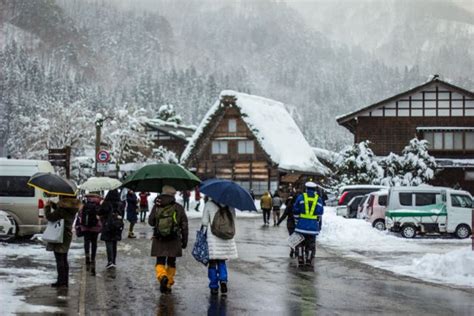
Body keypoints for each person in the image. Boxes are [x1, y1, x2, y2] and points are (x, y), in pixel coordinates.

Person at [149, 185, 188, 294]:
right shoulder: (178, 207)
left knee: (160, 261)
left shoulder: (157, 206)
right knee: (172, 262)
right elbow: (184, 226)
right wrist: (184, 241)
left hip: (159, 239)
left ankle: (162, 277)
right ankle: (168, 283)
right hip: (174, 239)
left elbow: (151, 222)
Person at [201, 198, 238, 295]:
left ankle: (214, 286)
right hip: (226, 238)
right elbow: (233, 220)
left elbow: (204, 222)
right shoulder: (230, 205)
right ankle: (223, 280)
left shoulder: (209, 204)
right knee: (222, 261)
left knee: (212, 263)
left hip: (212, 238)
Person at [45, 195, 81, 288]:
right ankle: (64, 281)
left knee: (59, 259)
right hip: (66, 235)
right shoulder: (71, 208)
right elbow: (60, 211)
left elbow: (50, 217)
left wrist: (47, 207)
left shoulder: (62, 210)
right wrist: (53, 205)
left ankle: (61, 282)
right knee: (64, 258)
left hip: (59, 235)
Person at [292, 182, 324, 267]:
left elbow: (295, 211)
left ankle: (300, 258)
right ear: (314, 190)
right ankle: (309, 259)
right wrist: (318, 224)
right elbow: (320, 213)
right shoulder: (318, 199)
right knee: (310, 244)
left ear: (306, 188)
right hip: (312, 227)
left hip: (301, 226)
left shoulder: (301, 197)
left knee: (300, 242)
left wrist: (296, 221)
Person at [77, 193, 102, 276]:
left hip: (85, 227)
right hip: (95, 228)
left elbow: (80, 215)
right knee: (94, 243)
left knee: (86, 242)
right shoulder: (98, 205)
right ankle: (93, 258)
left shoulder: (84, 205)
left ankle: (87, 255)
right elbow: (100, 217)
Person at [99, 189, 124, 269]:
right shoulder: (120, 203)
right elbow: (122, 214)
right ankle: (114, 261)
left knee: (109, 243)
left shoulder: (106, 203)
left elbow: (100, 212)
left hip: (108, 225)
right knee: (114, 243)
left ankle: (110, 261)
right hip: (117, 225)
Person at [277, 192, 296, 257]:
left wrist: (279, 222)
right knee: (297, 237)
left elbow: (284, 215)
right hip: (297, 224)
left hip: (290, 224)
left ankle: (292, 249)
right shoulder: (298, 206)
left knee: (292, 237)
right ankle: (296, 249)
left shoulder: (289, 206)